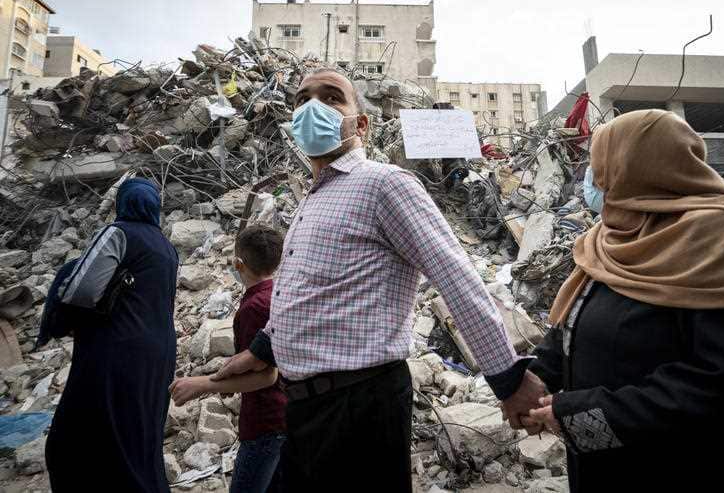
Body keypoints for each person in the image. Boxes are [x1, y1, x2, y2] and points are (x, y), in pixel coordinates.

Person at [212, 68, 545, 492]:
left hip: (359, 407)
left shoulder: (384, 184)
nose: (312, 107)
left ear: (361, 123)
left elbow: (456, 278)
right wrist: (261, 349)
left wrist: (507, 379)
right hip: (303, 410)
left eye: (331, 97)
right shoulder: (313, 198)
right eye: (302, 99)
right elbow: (308, 293)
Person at [518, 110, 724, 493]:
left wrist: (585, 415)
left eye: (602, 166)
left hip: (697, 470)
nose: (595, 180)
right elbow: (576, 322)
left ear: (637, 166)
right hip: (615, 468)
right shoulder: (610, 238)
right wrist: (532, 378)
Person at [45, 177, 179, 492]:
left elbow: (82, 290)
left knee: (72, 441)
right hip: (159, 354)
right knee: (139, 436)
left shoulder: (118, 232)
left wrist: (61, 284)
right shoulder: (167, 247)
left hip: (116, 350)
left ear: (123, 203)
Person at [169, 225, 286, 493]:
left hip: (264, 422)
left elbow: (266, 375)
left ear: (239, 263)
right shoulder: (278, 295)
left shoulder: (254, 307)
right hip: (284, 417)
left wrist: (202, 383)